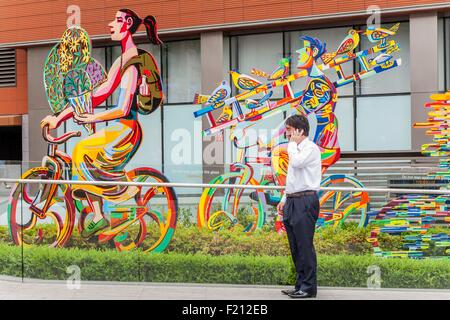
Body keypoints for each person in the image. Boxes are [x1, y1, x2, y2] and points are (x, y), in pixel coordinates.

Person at [40, 9, 162, 238]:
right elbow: (99, 93)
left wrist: (92, 117)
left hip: (127, 130)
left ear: (126, 24)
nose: (110, 25)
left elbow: (123, 109)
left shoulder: (133, 65)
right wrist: (59, 117)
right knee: (84, 154)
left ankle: (103, 213)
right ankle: (101, 211)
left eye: (115, 21)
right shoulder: (121, 61)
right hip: (119, 128)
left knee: (81, 150)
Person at [277, 114, 322, 299]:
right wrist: (283, 199)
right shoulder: (295, 149)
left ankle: (309, 287)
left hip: (305, 201)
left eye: (289, 130)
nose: (286, 134)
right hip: (293, 200)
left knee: (305, 246)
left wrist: (292, 146)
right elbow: (293, 178)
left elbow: (297, 162)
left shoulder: (310, 148)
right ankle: (300, 285)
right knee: (295, 247)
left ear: (299, 131)